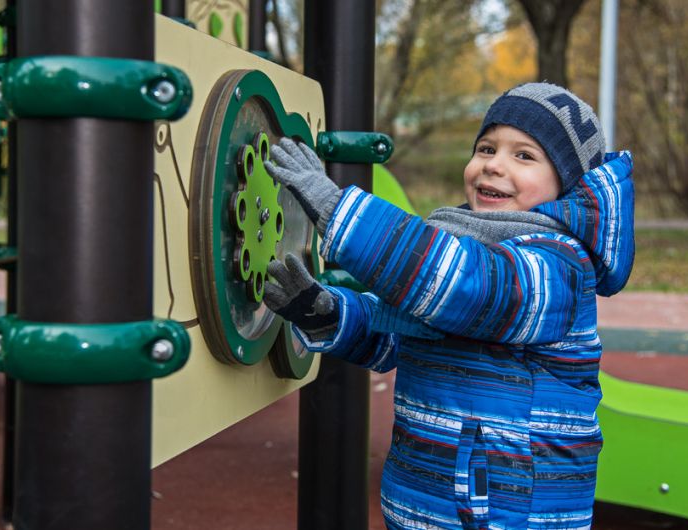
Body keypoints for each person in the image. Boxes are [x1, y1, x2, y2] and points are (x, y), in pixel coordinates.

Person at [263, 82, 635, 530]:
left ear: (566, 185)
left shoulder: (558, 266)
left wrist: (337, 208)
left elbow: (469, 289)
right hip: (428, 503)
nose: (493, 165)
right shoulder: (465, 239)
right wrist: (328, 314)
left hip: (512, 513)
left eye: (524, 155)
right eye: (486, 148)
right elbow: (401, 334)